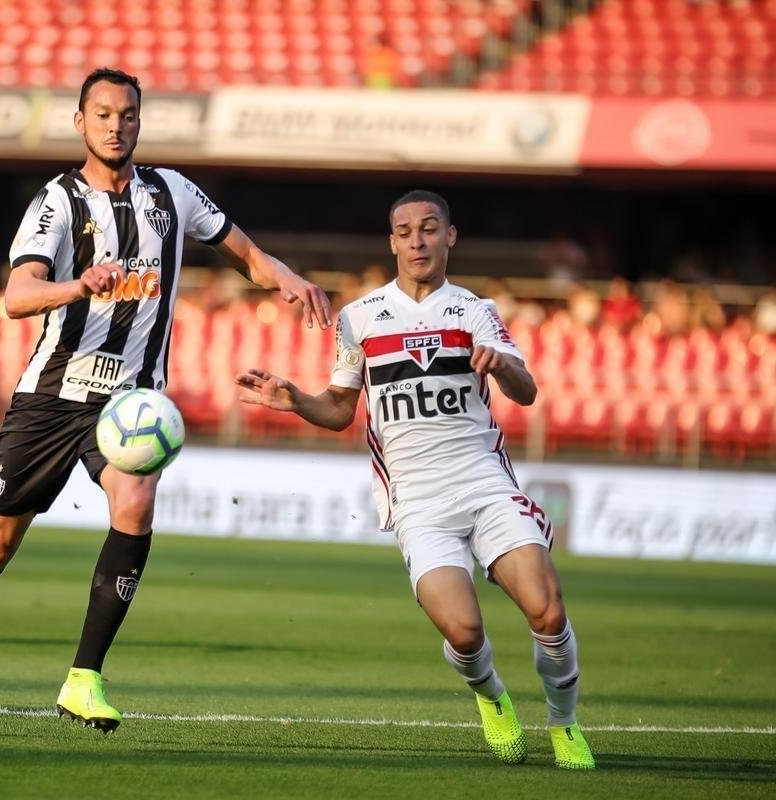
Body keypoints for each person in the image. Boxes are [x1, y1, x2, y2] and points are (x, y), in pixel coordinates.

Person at [0, 68, 332, 735]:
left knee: (136, 499)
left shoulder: (172, 191)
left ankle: (83, 678)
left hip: (128, 403)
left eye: (127, 114)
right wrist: (78, 285)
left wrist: (287, 278)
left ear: (138, 120)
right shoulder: (56, 202)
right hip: (49, 398)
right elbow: (16, 296)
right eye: (102, 114)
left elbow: (243, 251)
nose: (116, 125)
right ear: (80, 122)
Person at [235, 190, 595, 770]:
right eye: (405, 231)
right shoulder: (359, 319)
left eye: (430, 228)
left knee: (547, 612)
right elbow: (339, 409)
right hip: (419, 502)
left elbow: (527, 392)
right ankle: (493, 698)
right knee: (465, 631)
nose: (418, 240)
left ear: (450, 236)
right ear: (392, 242)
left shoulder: (476, 310)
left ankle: (564, 724)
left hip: (485, 485)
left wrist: (502, 364)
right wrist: (296, 399)